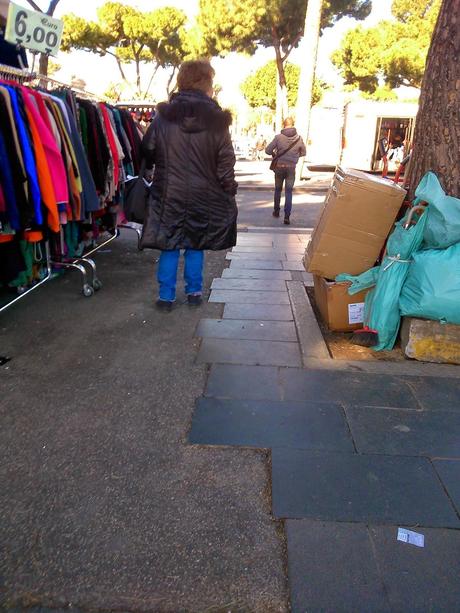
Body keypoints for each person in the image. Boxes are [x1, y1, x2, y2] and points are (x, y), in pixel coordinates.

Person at [140, 59, 238, 312]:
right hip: (204, 195)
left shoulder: (163, 118)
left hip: (168, 194)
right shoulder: (218, 121)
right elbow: (225, 162)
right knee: (196, 244)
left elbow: (147, 149)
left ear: (182, 82)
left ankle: (166, 297)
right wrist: (228, 190)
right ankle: (194, 293)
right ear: (206, 83)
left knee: (169, 245)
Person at [265, 117, 306, 225]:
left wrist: (276, 154)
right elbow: (303, 152)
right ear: (293, 124)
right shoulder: (299, 139)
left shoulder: (278, 137)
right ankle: (287, 216)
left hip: (279, 167)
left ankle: (276, 211)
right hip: (291, 168)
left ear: (284, 125)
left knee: (278, 190)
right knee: (289, 192)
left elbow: (267, 151)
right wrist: (294, 156)